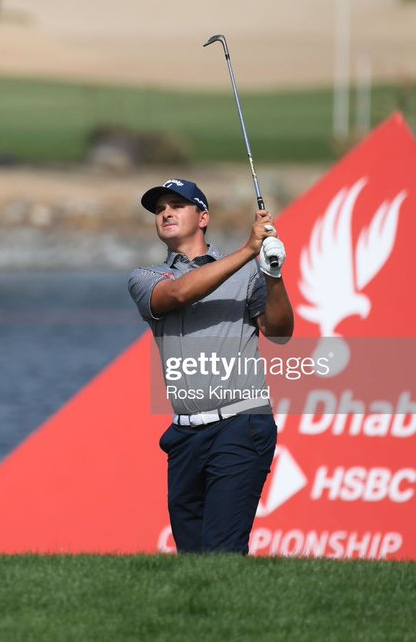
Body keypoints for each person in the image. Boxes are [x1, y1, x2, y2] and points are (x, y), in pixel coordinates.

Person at [127, 178, 293, 554]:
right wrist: (249, 250)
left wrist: (273, 273)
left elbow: (280, 332)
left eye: (177, 205)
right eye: (159, 209)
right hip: (184, 437)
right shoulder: (147, 278)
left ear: (203, 217)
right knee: (193, 556)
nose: (165, 212)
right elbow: (182, 293)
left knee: (222, 551)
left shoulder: (251, 272)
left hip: (241, 424)